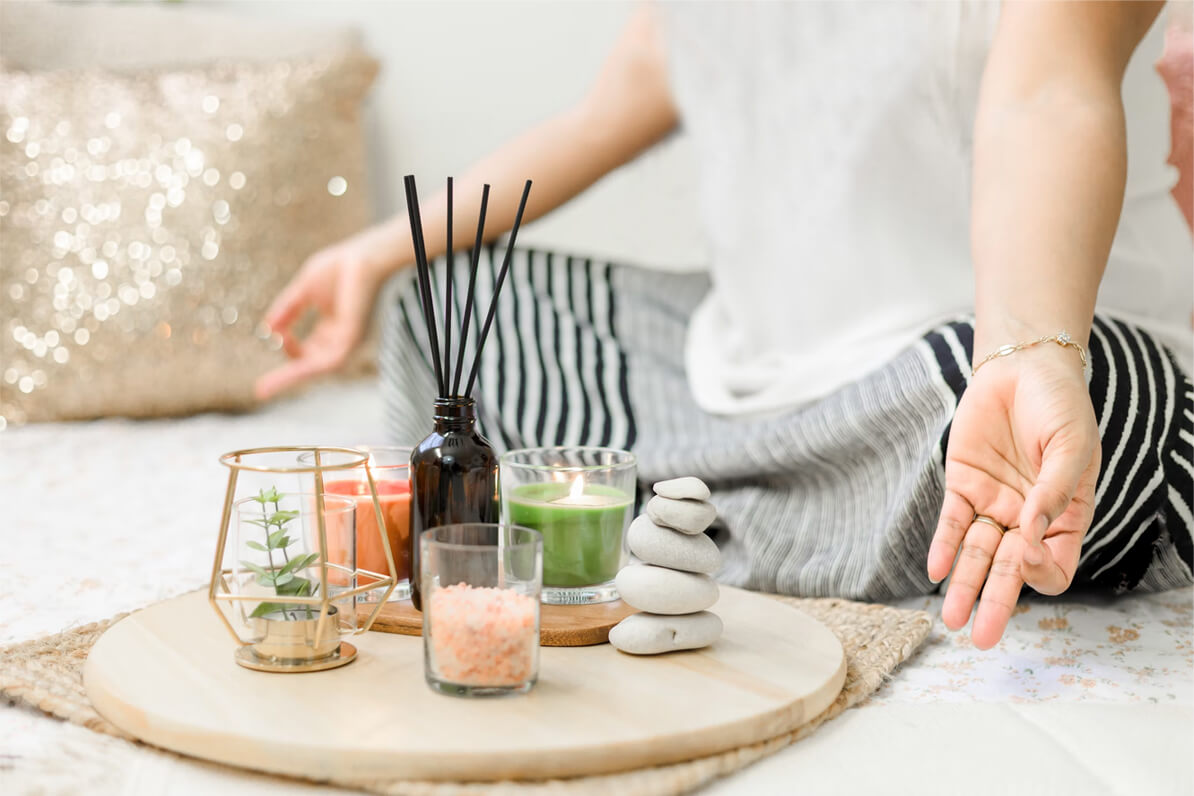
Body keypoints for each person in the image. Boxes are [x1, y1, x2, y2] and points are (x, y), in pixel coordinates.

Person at [257, 2, 1193, 649]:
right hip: (741, 378)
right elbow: (593, 123)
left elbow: (1047, 94)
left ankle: (692, 517)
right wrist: (374, 254)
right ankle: (758, 514)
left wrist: (1028, 347)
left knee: (1097, 411)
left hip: (991, 364)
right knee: (446, 302)